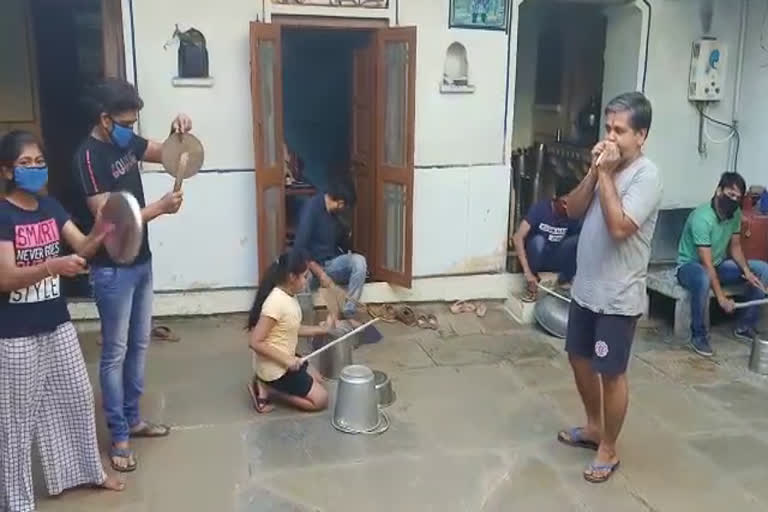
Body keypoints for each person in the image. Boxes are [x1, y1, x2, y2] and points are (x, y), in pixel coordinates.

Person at [71, 78, 191, 473]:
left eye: (135, 122)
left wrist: (179, 135)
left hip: (142, 261)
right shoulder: (88, 158)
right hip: (112, 270)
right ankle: (119, 436)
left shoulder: (126, 142)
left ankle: (134, 419)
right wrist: (158, 208)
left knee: (139, 346)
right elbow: (109, 219)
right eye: (125, 122)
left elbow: (169, 155)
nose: (131, 129)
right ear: (105, 120)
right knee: (114, 353)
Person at [0, 131, 124, 512]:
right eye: (26, 164)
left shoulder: (50, 207)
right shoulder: (3, 214)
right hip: (15, 332)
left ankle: (87, 470)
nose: (35, 169)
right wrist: (53, 266)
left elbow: (81, 246)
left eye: (40, 162)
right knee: (17, 421)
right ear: (7, 170)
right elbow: (5, 277)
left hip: (57, 322)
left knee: (75, 397)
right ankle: (17, 501)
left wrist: (104, 230)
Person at [555, 92, 662, 483]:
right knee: (578, 359)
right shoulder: (605, 167)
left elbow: (619, 228)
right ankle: (594, 426)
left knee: (610, 371)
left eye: (620, 130)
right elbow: (573, 209)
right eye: (608, 128)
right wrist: (593, 171)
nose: (611, 137)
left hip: (617, 298)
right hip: (587, 288)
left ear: (641, 135)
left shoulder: (647, 176)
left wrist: (606, 175)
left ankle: (609, 448)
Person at [676, 172, 768, 357]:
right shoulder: (702, 218)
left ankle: (744, 325)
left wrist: (747, 272)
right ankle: (698, 335)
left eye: (738, 197)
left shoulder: (734, 215)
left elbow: (735, 247)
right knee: (703, 277)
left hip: (717, 264)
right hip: (690, 267)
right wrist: (721, 298)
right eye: (730, 194)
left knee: (761, 269)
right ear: (719, 191)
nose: (733, 200)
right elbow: (706, 263)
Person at [246, 250, 332, 414]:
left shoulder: (289, 294)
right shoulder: (276, 303)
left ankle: (266, 385)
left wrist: (321, 330)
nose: (307, 282)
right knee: (321, 400)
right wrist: (287, 360)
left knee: (318, 380)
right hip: (277, 368)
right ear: (292, 277)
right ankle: (268, 389)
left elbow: (291, 328)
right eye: (305, 277)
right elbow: (255, 342)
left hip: (285, 359)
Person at [293, 177, 366, 318]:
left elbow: (338, 243)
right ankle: (307, 321)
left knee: (359, 261)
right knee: (302, 280)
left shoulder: (334, 215)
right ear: (340, 203)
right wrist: (320, 274)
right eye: (345, 206)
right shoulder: (311, 208)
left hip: (330, 265)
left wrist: (347, 235)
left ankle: (349, 311)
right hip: (310, 267)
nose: (345, 210)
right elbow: (300, 246)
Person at [512, 177, 582, 301]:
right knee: (538, 241)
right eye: (564, 203)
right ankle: (531, 284)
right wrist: (527, 272)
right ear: (555, 198)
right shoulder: (540, 209)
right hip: (537, 258)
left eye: (571, 203)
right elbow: (517, 237)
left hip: (556, 258)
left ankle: (565, 281)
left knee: (578, 239)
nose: (567, 208)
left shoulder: (573, 214)